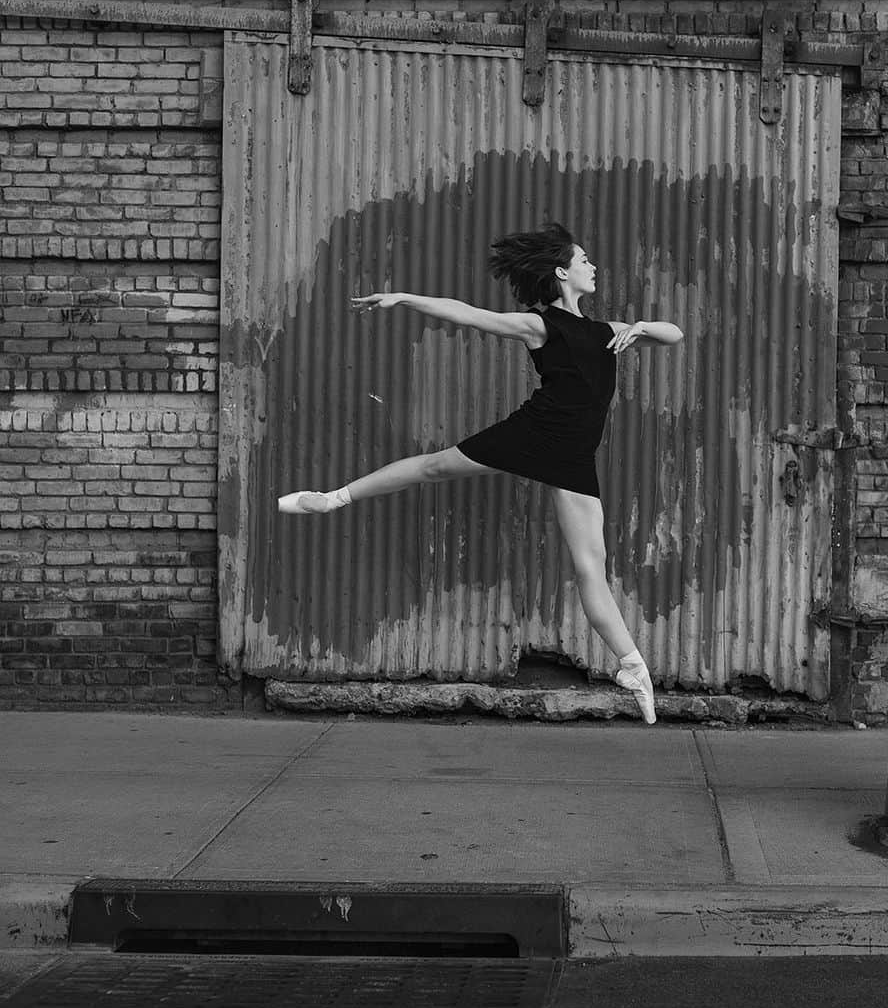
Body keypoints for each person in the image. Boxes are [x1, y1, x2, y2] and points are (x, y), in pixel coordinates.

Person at [278, 223, 684, 724]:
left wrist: (639, 326)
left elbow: (675, 334)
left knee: (589, 569)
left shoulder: (608, 334)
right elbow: (472, 316)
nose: (593, 267)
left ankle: (632, 666)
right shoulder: (541, 326)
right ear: (562, 273)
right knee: (434, 467)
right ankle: (332, 498)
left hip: (574, 457)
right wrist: (404, 299)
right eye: (584, 260)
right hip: (534, 433)